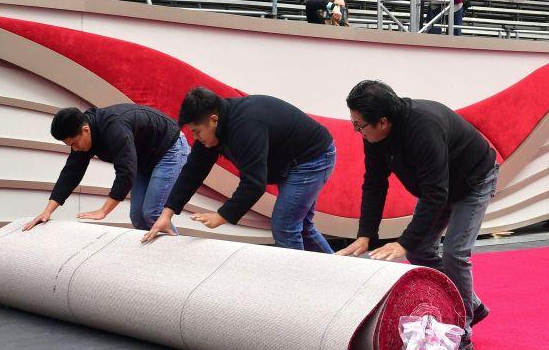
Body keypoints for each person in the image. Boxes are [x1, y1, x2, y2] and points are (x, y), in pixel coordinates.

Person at [337, 80, 497, 350]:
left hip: (474, 181)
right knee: (421, 250)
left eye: (359, 125)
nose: (357, 131)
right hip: (441, 186)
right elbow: (375, 183)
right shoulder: (374, 137)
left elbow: (435, 193)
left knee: (455, 252)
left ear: (383, 122)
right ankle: (472, 304)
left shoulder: (423, 128)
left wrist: (403, 242)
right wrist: (366, 235)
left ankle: (462, 331)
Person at [142, 87, 336, 252]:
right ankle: (338, 276)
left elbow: (254, 184)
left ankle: (298, 288)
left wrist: (222, 216)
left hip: (312, 158)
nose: (195, 137)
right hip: (292, 158)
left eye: (196, 131)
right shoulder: (213, 130)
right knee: (301, 227)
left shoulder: (245, 126)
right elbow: (192, 171)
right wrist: (166, 214)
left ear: (213, 120)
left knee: (285, 226)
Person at [24, 105, 189, 232]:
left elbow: (126, 172)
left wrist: (104, 211)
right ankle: (155, 261)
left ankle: (180, 261)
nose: (74, 149)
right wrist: (48, 211)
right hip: (146, 159)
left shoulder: (114, 127)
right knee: (138, 217)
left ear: (85, 130)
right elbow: (71, 173)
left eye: (74, 143)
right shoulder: (84, 136)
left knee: (153, 213)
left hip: (170, 149)